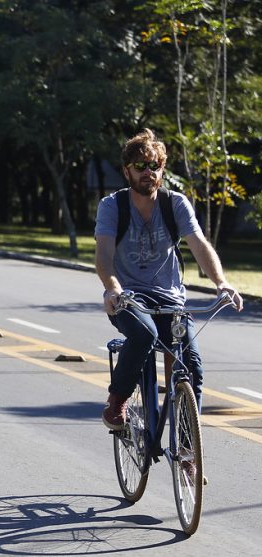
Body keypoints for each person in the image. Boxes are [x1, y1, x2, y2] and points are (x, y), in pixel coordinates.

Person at [94, 128, 244, 431]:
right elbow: (104, 256)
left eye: (155, 166)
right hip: (128, 298)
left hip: (171, 299)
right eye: (140, 166)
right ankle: (118, 399)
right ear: (127, 171)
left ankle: (188, 454)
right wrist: (112, 289)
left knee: (193, 368)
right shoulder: (113, 206)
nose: (148, 172)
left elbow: (199, 244)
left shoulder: (174, 203)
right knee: (144, 335)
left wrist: (221, 282)